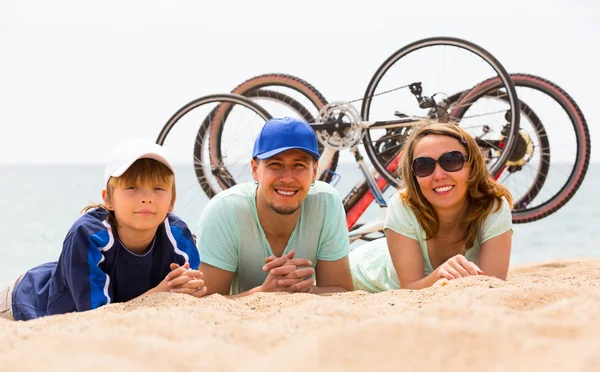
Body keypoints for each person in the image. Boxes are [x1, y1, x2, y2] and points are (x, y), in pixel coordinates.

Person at [0, 138, 205, 321]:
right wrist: (160, 293)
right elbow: (96, 317)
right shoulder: (89, 235)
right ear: (108, 199)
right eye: (132, 187)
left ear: (172, 201)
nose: (147, 198)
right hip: (23, 304)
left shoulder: (178, 235)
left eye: (158, 188)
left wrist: (192, 288)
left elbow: (190, 289)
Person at [196, 117, 353, 297]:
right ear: (255, 170)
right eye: (275, 165)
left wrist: (304, 291)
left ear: (314, 172)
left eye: (299, 165)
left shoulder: (326, 203)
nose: (287, 178)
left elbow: (344, 293)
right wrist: (263, 293)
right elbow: (206, 302)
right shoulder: (225, 210)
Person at [350, 122, 513, 291]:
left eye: (451, 161)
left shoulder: (493, 208)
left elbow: (493, 285)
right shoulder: (402, 205)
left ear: (472, 165)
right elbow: (410, 287)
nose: (439, 175)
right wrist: (439, 274)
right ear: (414, 176)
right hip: (362, 275)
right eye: (424, 166)